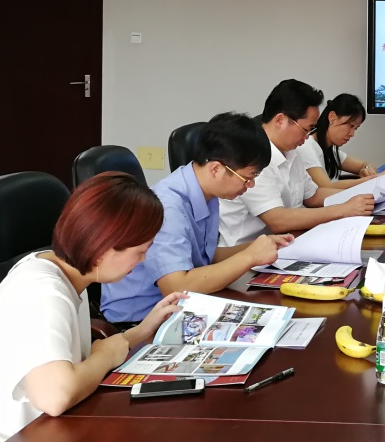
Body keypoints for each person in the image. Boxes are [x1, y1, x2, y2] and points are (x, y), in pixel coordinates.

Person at [0, 173, 187, 442]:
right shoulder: (44, 293)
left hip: (36, 439)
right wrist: (104, 358)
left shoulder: (63, 270)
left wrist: (140, 331)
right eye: (140, 252)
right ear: (104, 248)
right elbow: (55, 396)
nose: (143, 261)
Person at [101, 112, 295, 325]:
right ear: (216, 169)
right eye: (248, 178)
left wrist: (255, 247)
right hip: (141, 321)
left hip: (179, 307)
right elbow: (176, 287)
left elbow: (204, 256)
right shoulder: (168, 206)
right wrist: (250, 257)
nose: (251, 185)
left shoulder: (204, 190)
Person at [217, 79, 373, 247]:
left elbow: (313, 196)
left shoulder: (292, 152)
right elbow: (278, 220)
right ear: (280, 120)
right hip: (247, 254)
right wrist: (343, 209)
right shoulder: (252, 155)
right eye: (306, 129)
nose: (307, 137)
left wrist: (361, 198)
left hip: (286, 245)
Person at [298, 93, 385, 190]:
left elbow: (365, 164)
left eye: (355, 128)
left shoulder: (330, 150)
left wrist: (367, 169)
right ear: (332, 117)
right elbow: (327, 187)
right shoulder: (307, 147)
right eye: (350, 126)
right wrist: (380, 177)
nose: (352, 134)